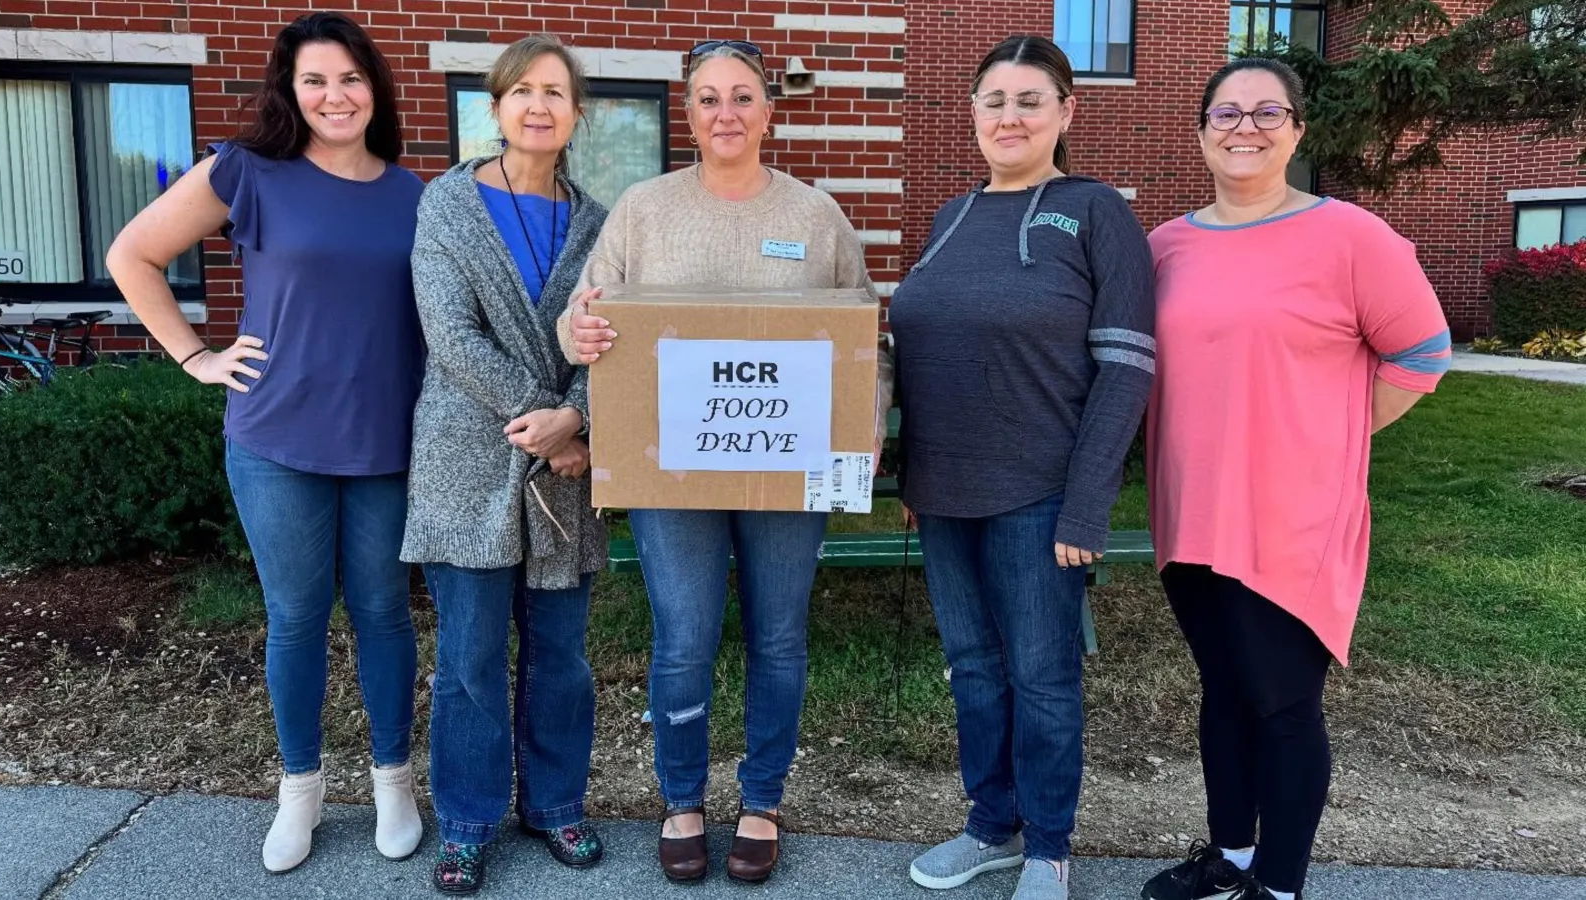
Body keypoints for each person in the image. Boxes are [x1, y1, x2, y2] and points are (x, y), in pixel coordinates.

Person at [561, 39, 892, 886]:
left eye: (742, 96)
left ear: (769, 110)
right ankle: (681, 800)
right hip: (671, 470)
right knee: (683, 639)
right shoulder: (643, 209)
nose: (726, 114)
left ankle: (762, 801)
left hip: (787, 465)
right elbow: (581, 317)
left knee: (779, 636)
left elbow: (864, 337)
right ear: (688, 111)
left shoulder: (816, 216)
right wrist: (579, 332)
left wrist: (866, 420)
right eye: (708, 98)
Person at [105, 11, 425, 874]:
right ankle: (301, 792)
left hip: (386, 443)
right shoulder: (247, 171)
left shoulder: (414, 194)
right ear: (290, 89)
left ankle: (394, 782)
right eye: (315, 79)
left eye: (351, 78)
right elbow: (132, 254)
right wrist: (196, 357)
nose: (335, 95)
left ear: (374, 87)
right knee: (295, 617)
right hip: (276, 439)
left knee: (384, 613)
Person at [1140, 58, 1452, 900]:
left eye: (1267, 112)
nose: (1245, 127)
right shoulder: (1163, 247)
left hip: (1290, 516)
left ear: (1298, 130)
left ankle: (1278, 888)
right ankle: (1232, 860)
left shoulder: (1350, 237)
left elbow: (1423, 353)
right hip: (1190, 509)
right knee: (1223, 691)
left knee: (1281, 703)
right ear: (1202, 131)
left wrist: (1328, 438)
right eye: (1227, 113)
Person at [889, 35, 1155, 900]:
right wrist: (911, 476)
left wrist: (1088, 504)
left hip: (1040, 495)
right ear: (973, 113)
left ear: (1065, 111)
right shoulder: (951, 217)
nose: (1010, 117)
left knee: (1042, 678)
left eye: (1029, 100)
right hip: (944, 493)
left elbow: (1127, 366)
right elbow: (922, 358)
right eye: (994, 101)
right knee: (972, 669)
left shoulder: (1095, 211)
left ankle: (1048, 846)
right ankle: (991, 826)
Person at [401, 35, 608, 894]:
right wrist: (549, 421)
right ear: (495, 107)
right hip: (467, 459)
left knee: (560, 655)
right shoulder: (447, 206)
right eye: (522, 90)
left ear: (577, 114)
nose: (538, 106)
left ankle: (555, 805)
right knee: (471, 657)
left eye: (555, 92)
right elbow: (450, 335)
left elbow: (618, 340)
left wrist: (579, 420)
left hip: (566, 473)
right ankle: (467, 821)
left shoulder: (600, 223)